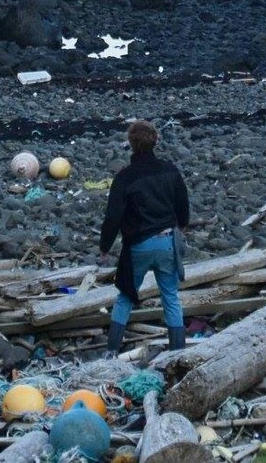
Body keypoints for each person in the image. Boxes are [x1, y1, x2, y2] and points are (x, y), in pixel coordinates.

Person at [99, 119, 189, 355]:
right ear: (155, 141)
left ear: (131, 143)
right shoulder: (170, 170)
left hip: (138, 246)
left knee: (126, 296)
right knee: (170, 296)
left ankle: (110, 352)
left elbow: (113, 216)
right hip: (167, 240)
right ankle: (178, 353)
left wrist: (105, 246)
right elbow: (183, 203)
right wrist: (183, 224)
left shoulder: (125, 178)